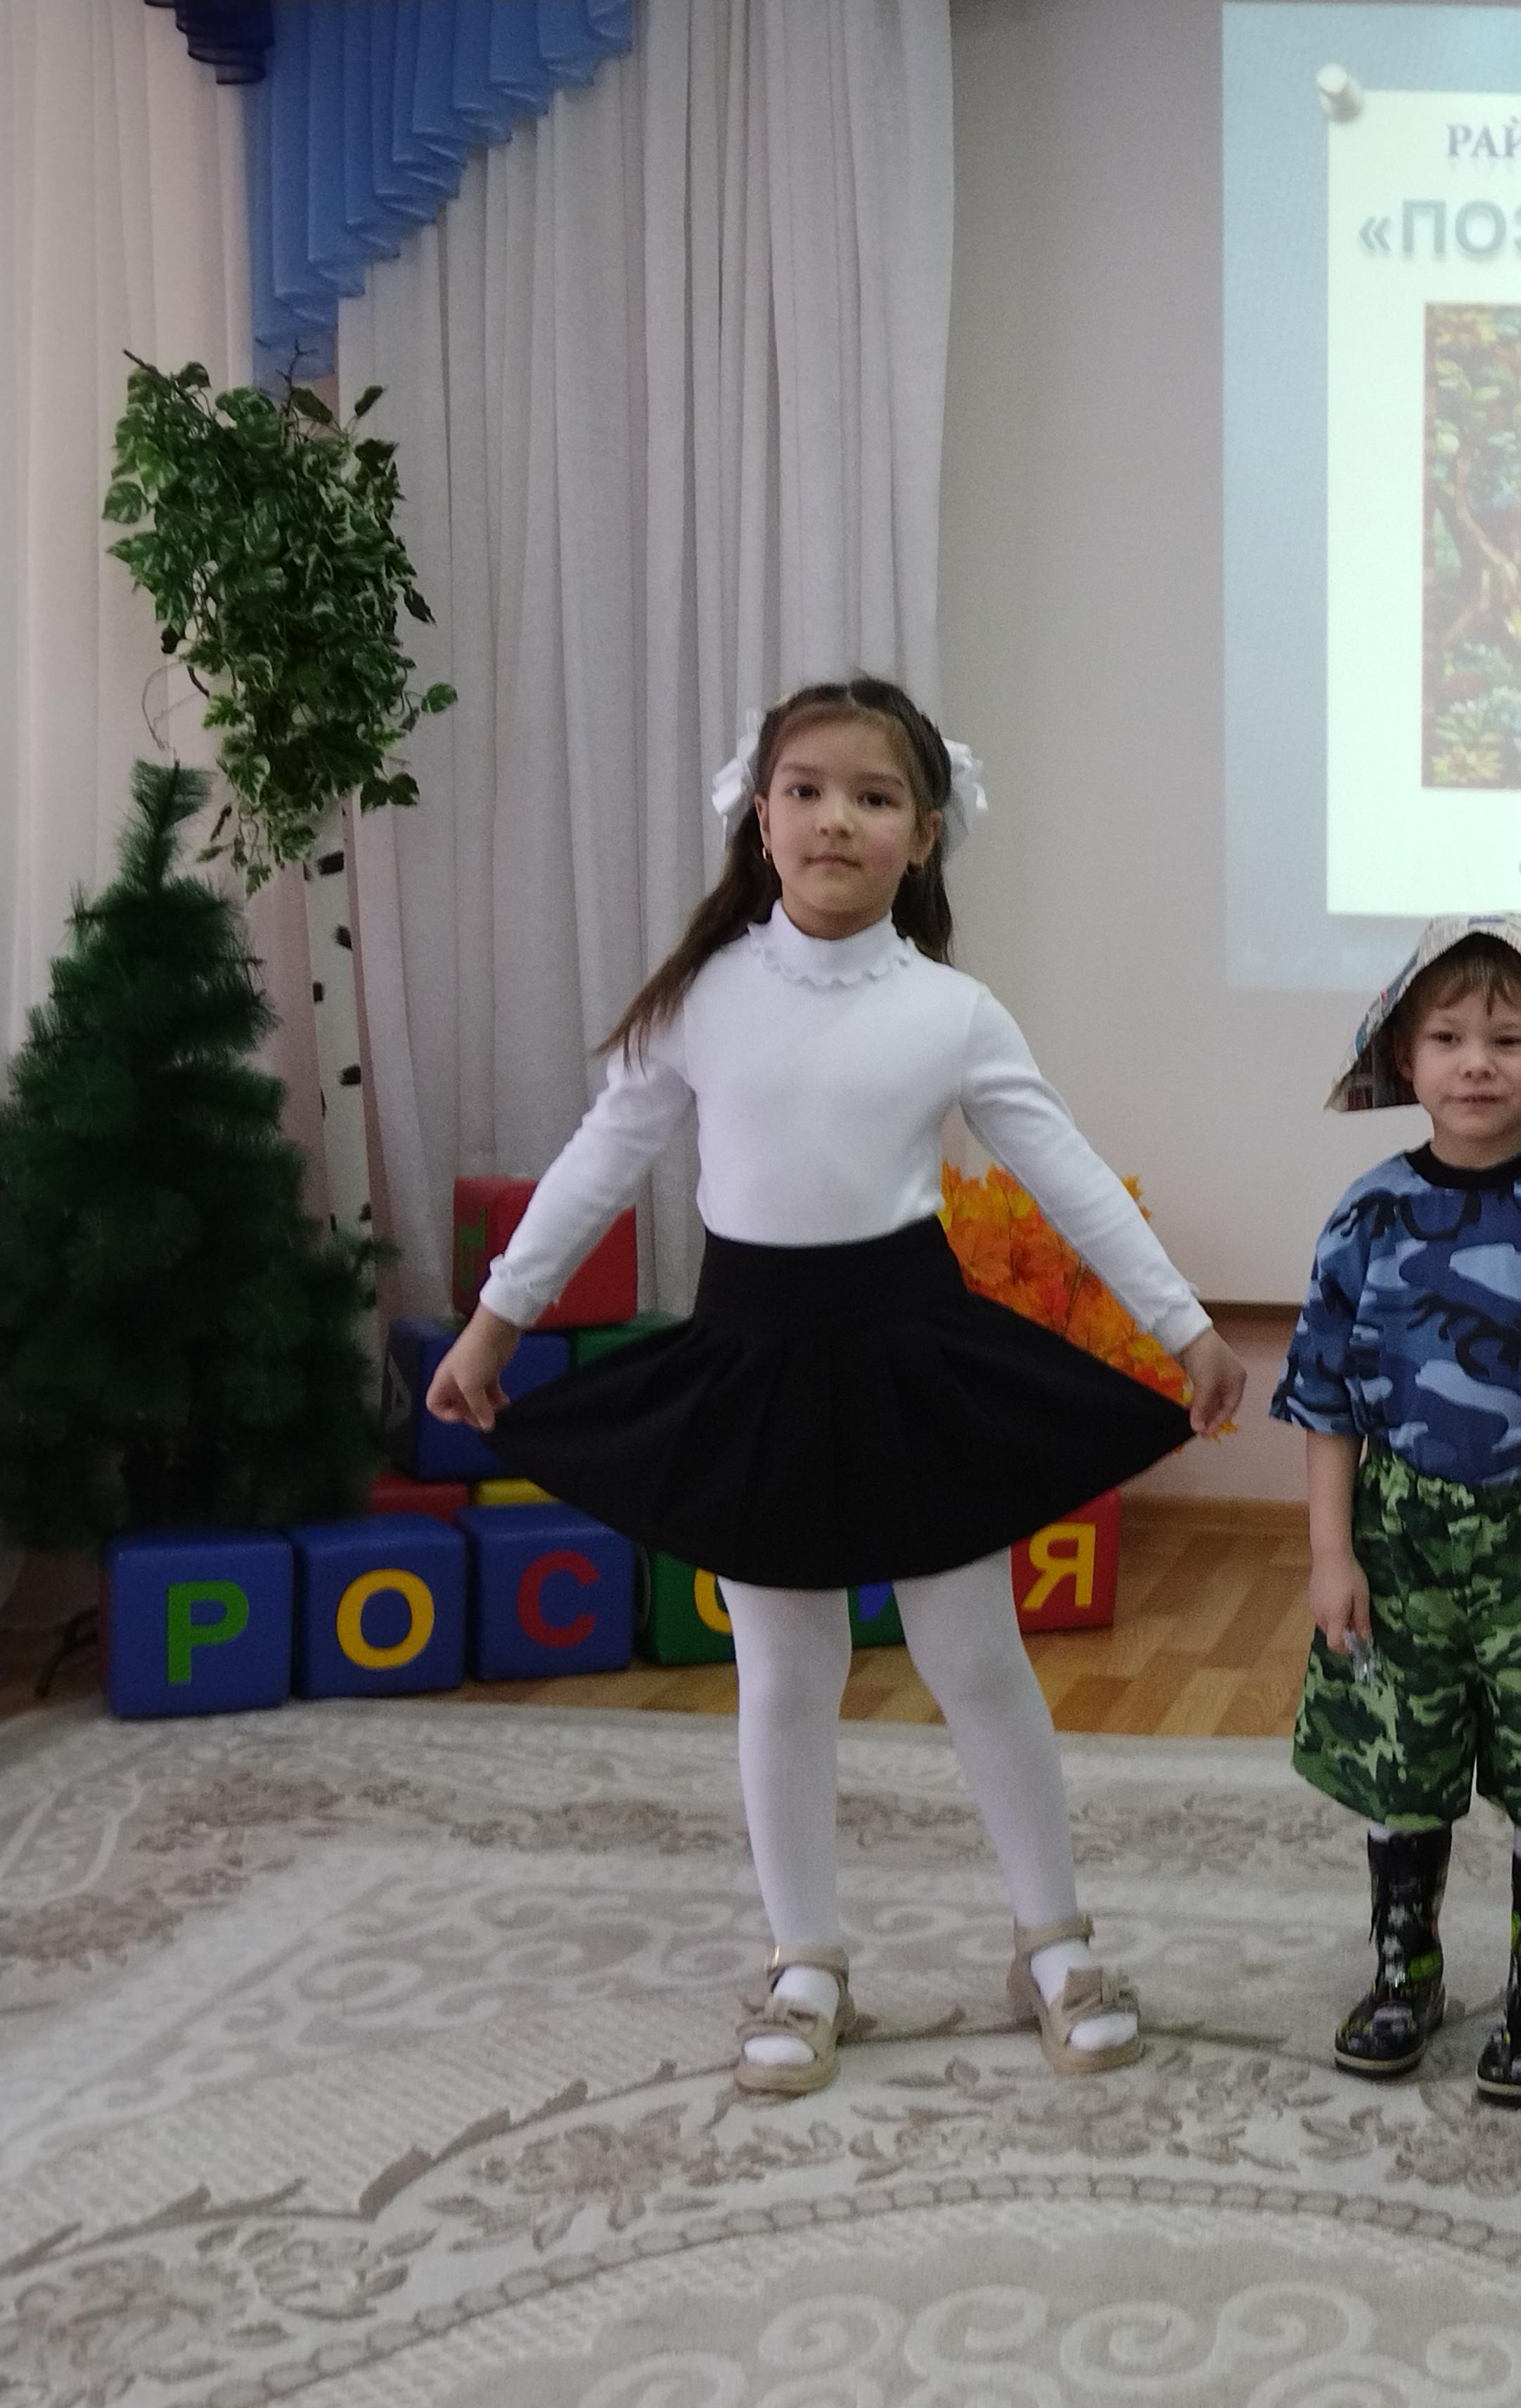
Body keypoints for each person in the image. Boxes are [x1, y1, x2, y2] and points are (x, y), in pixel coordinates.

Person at [423, 676, 1247, 2097]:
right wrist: (497, 1322)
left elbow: (1062, 1170)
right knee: (787, 1668)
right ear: (761, 817)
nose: (835, 821)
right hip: (753, 1361)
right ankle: (805, 1961)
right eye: (806, 792)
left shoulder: (952, 1011)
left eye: (873, 798)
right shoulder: (701, 1001)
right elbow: (601, 1160)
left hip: (911, 1358)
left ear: (923, 836)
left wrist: (1185, 1329)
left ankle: (1053, 1941)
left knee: (973, 1655)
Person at [1275, 913, 1521, 2106]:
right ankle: (1404, 1973)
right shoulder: (1369, 1215)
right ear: (1403, 1059)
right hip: (1397, 1542)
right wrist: (1331, 1554)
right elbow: (1325, 1398)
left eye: (1508, 1041)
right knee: (1399, 1764)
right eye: (1448, 1038)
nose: (1476, 1064)